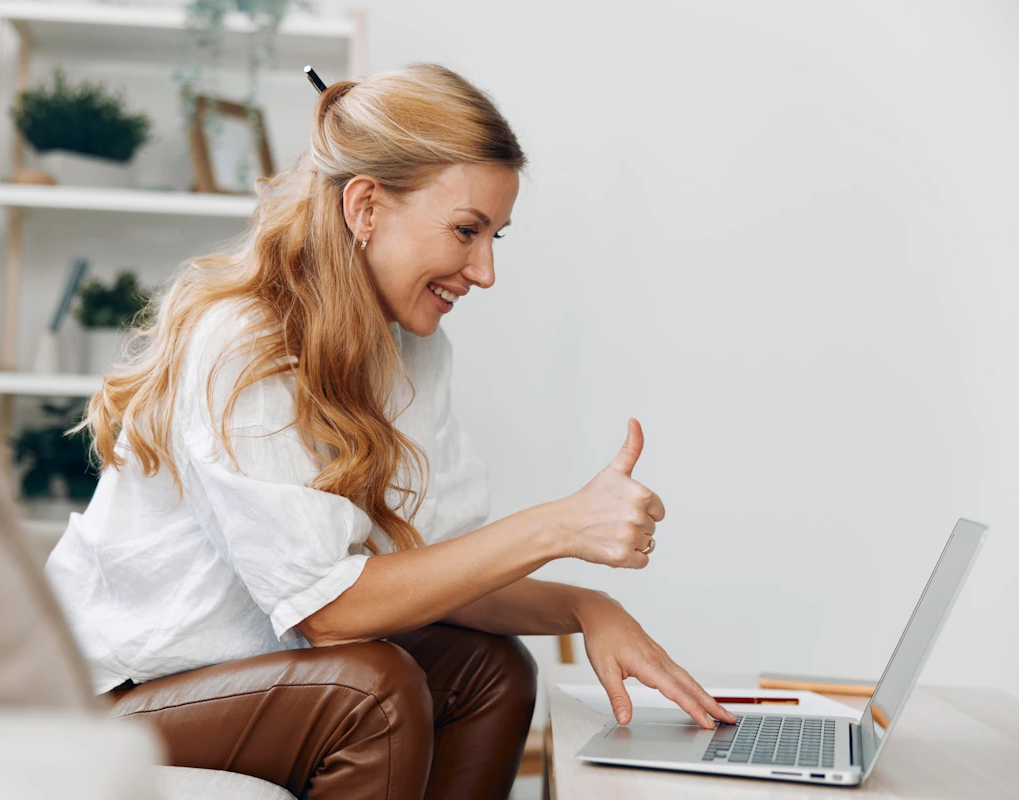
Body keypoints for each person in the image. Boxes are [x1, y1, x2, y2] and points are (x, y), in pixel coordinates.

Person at [44, 62, 737, 800]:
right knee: (373, 691)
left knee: (491, 672)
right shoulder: (243, 344)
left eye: (496, 236)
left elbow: (435, 573)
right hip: (113, 696)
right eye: (467, 231)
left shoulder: (412, 351)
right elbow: (331, 612)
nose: (486, 270)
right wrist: (560, 525)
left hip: (243, 680)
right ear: (366, 206)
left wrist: (587, 607)